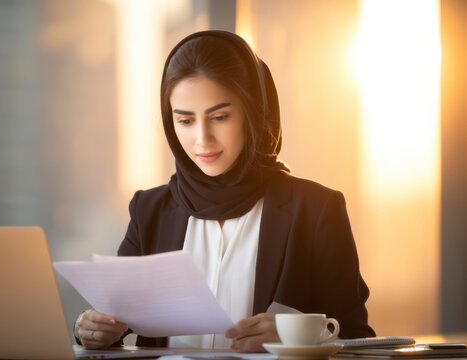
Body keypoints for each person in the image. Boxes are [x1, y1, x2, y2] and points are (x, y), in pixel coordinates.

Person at [74, 30, 375, 353]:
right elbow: (114, 320)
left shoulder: (316, 209)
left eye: (219, 117)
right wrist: (91, 330)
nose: (203, 139)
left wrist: (299, 337)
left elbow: (359, 340)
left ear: (253, 113)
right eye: (185, 121)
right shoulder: (149, 210)